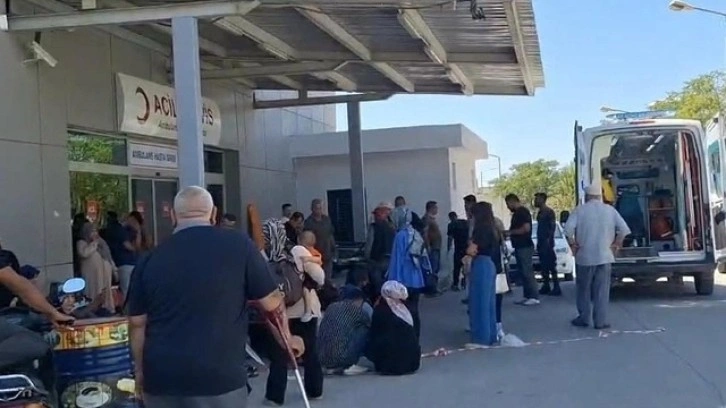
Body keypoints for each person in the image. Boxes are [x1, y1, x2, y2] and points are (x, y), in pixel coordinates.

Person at [127, 186, 305, 408]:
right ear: (213, 214)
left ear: (173, 216)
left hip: (162, 381)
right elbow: (272, 303)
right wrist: (288, 340)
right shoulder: (239, 246)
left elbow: (137, 324)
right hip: (220, 379)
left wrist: (140, 372)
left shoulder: (149, 259)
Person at [252, 215, 324, 406]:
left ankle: (275, 396)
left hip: (278, 313)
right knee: (310, 351)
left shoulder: (261, 257)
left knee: (278, 355)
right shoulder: (297, 251)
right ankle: (314, 390)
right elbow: (319, 276)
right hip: (305, 310)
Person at [565, 184, 631, 330]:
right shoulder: (610, 210)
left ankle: (584, 318)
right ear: (600, 196)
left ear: (586, 196)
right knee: (602, 290)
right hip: (605, 256)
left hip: (585, 257)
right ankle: (600, 321)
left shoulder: (580, 210)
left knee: (584, 290)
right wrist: (616, 244)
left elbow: (568, 229)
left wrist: (573, 244)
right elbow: (624, 230)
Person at [386, 206, 427, 339]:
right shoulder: (415, 233)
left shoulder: (400, 236)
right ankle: (416, 338)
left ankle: (407, 339)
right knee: (414, 310)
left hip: (403, 279)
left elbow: (396, 260)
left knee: (403, 312)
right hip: (416, 279)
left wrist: (392, 282)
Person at [463, 202, 499, 347]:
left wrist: (467, 252)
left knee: (478, 302)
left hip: (480, 264)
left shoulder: (480, 229)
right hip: (489, 263)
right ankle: (491, 336)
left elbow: (472, 250)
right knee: (488, 303)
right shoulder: (492, 228)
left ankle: (480, 338)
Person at [317, 282, 372, 376]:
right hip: (341, 357)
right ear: (358, 299)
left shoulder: (331, 307)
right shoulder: (355, 310)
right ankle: (349, 365)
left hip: (322, 359)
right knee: (364, 329)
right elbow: (369, 323)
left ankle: (331, 367)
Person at [367, 281, 421, 376]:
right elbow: (416, 333)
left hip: (385, 365)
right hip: (411, 364)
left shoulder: (380, 310)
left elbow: (373, 335)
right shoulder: (410, 309)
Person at [505, 194, 539, 306]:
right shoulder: (518, 213)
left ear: (512, 201)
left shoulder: (522, 212)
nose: (508, 207)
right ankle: (527, 296)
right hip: (520, 246)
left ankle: (533, 296)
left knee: (527, 271)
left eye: (508, 204)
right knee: (523, 272)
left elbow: (526, 229)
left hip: (524, 245)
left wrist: (510, 232)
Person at [76, 223, 116, 312]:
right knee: (93, 290)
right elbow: (84, 253)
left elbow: (108, 256)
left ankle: (106, 308)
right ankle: (92, 309)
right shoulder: (82, 242)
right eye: (92, 231)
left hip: (103, 274)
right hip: (91, 274)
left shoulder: (101, 242)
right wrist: (94, 243)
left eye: (96, 231)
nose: (95, 234)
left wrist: (114, 270)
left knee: (104, 290)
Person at [290, 231, 324, 323]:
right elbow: (318, 274)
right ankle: (308, 311)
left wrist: (308, 258)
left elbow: (318, 260)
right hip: (308, 278)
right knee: (306, 291)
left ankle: (308, 311)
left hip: (309, 279)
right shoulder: (306, 251)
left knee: (306, 291)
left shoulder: (310, 252)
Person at [103, 211, 137, 301]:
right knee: (129, 290)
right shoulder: (119, 229)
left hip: (121, 263)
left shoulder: (111, 230)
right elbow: (127, 245)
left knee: (126, 290)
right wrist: (137, 250)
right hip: (127, 262)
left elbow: (126, 244)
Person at [363, 202, 395, 294]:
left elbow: (369, 244)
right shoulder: (392, 227)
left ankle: (377, 298)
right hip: (390, 259)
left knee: (376, 285)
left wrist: (366, 257)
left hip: (376, 259)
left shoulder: (373, 227)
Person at [534, 193, 561, 296]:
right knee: (544, 266)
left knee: (551, 265)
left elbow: (552, 227)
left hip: (547, 243)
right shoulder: (540, 212)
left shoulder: (549, 212)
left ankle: (556, 287)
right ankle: (546, 285)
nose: (535, 201)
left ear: (542, 199)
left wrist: (548, 241)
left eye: (537, 199)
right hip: (541, 242)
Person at [304, 199, 336, 279]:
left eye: (320, 208)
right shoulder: (309, 222)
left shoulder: (326, 219)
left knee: (327, 278)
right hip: (316, 255)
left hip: (328, 253)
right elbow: (307, 239)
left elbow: (330, 234)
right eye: (317, 208)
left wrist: (334, 248)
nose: (319, 211)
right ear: (312, 209)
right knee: (317, 278)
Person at [423, 201, 442, 296]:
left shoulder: (431, 219)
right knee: (432, 269)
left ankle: (434, 288)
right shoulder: (427, 219)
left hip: (436, 246)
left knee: (435, 268)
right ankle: (431, 289)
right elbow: (425, 233)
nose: (437, 210)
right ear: (431, 208)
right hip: (432, 247)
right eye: (435, 208)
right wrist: (428, 246)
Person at [447, 211, 469, 291]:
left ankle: (455, 284)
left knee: (457, 267)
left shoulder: (451, 225)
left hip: (458, 248)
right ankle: (464, 281)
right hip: (466, 247)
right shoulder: (464, 222)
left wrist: (448, 248)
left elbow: (450, 237)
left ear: (450, 218)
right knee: (465, 266)